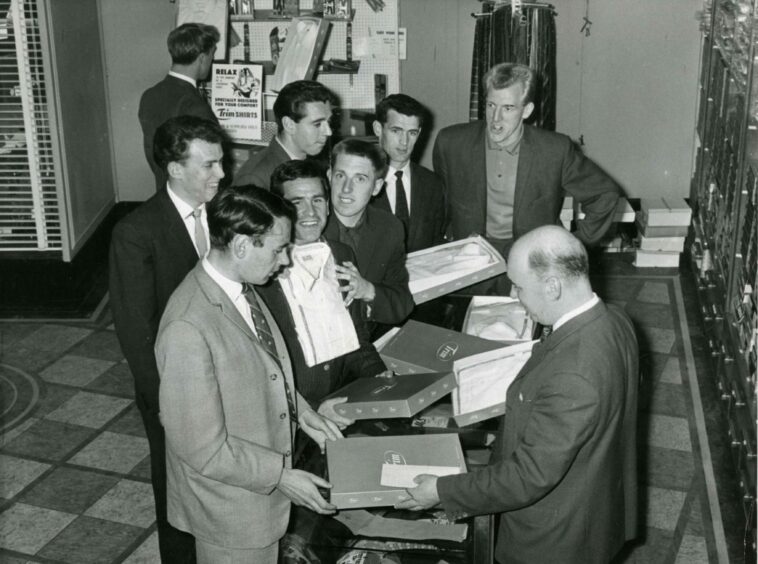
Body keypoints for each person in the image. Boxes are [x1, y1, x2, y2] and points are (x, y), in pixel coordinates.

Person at [397, 225, 639, 564]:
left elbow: (528, 476)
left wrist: (440, 491)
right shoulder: (615, 319)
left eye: (519, 286)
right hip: (596, 500)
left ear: (553, 286)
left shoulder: (574, 373)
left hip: (554, 537)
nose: (513, 295)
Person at [156, 186, 342, 563]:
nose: (286, 260)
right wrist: (282, 476)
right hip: (230, 514)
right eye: (278, 249)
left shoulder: (240, 284)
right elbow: (201, 449)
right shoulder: (187, 328)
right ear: (242, 245)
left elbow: (265, 367)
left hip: (254, 495)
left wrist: (304, 414)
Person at [109, 115, 226, 563]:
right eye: (209, 165)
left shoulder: (221, 213)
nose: (221, 173)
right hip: (172, 387)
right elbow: (136, 333)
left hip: (222, 370)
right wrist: (165, 405)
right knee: (177, 488)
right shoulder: (136, 233)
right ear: (175, 169)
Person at [433, 62, 620, 294]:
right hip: (469, 262)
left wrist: (574, 244)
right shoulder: (451, 143)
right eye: (491, 105)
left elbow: (605, 194)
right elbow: (439, 200)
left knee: (526, 328)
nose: (496, 119)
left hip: (532, 264)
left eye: (508, 108)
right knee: (464, 327)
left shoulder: (555, 150)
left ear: (527, 110)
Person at [258, 160, 390, 424]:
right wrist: (312, 409)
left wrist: (378, 374)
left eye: (317, 200)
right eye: (297, 202)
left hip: (343, 404)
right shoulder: (262, 272)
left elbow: (356, 338)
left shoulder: (342, 255)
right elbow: (260, 370)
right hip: (291, 417)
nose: (310, 212)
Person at [322, 138, 414, 338]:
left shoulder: (389, 228)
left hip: (363, 342)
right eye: (340, 176)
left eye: (360, 179)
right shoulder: (309, 223)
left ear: (377, 186)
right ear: (329, 176)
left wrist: (368, 290)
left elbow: (402, 303)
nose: (346, 188)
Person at [139, 23, 220, 192]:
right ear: (202, 58)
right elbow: (208, 165)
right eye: (212, 56)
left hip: (165, 187)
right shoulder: (195, 105)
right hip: (192, 193)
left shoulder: (149, 95)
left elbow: (151, 152)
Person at [371, 94, 446, 253]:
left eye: (412, 133)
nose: (404, 142)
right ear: (378, 129)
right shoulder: (362, 182)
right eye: (396, 131)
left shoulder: (433, 184)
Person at [233, 80, 338, 189]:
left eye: (328, 122)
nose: (328, 132)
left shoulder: (312, 162)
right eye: (317, 124)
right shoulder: (254, 178)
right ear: (289, 125)